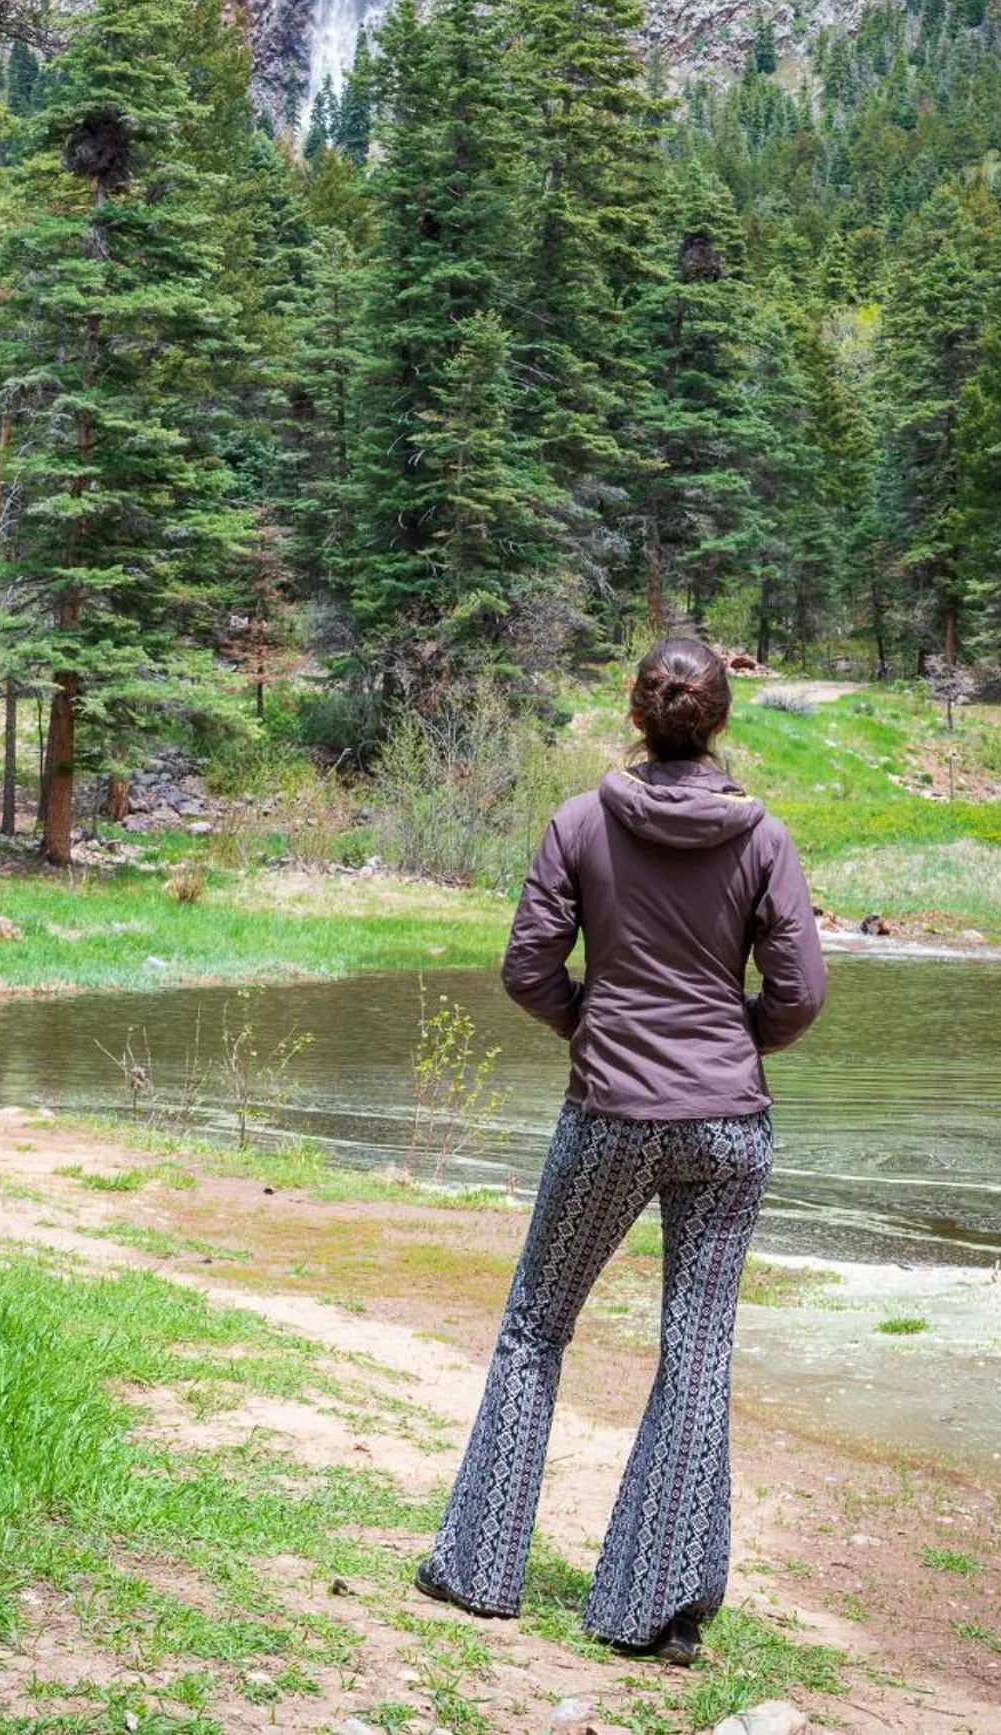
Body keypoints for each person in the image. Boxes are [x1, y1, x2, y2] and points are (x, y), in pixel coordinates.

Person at [416, 636, 827, 1662]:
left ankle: (475, 1572)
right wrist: (731, 1043)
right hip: (729, 1126)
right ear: (718, 718)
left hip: (608, 1115)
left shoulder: (578, 822)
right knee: (696, 1352)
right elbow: (801, 996)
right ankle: (655, 1610)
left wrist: (594, 1025)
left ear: (636, 713)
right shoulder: (762, 837)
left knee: (534, 1329)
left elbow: (525, 967)